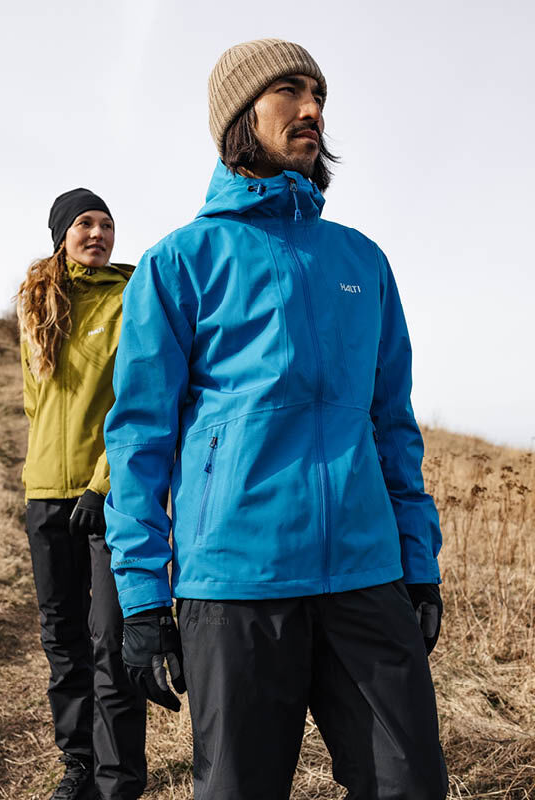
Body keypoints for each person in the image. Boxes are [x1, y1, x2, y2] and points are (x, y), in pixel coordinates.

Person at [104, 38, 448, 800]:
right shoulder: (180, 262)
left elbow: (393, 425)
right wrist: (142, 597)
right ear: (239, 114)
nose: (314, 110)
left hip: (366, 576)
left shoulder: (362, 261)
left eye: (319, 94)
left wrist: (417, 562)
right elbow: (138, 442)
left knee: (413, 787)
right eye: (291, 91)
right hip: (236, 585)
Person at [17, 188, 146, 800]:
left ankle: (120, 778)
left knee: (109, 640)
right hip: (43, 494)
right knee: (61, 637)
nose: (97, 233)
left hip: (105, 497)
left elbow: (137, 402)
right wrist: (43, 473)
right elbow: (33, 399)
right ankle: (78, 766)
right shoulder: (37, 300)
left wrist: (101, 481)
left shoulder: (129, 298)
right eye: (84, 224)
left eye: (106, 224)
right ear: (61, 234)